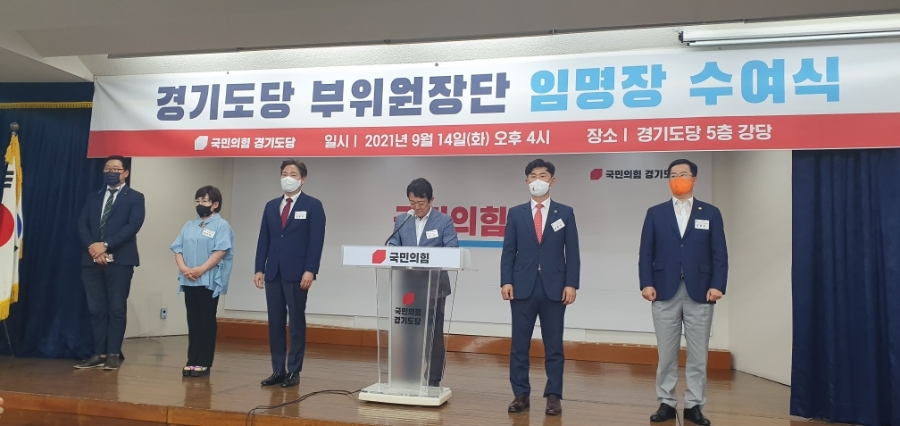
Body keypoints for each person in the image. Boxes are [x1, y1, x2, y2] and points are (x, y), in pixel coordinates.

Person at [638, 159, 728, 426]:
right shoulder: (656, 213)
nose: (679, 179)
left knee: (698, 356)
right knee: (666, 355)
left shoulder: (710, 213)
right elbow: (646, 253)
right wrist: (646, 283)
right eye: (674, 175)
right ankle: (666, 403)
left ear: (694, 179)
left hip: (701, 292)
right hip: (663, 291)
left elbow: (719, 253)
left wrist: (718, 284)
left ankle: (694, 405)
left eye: (684, 174)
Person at [501, 159, 580, 416]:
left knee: (554, 345)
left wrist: (571, 283)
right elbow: (508, 251)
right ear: (526, 181)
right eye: (533, 176)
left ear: (552, 181)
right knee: (519, 345)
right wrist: (506, 280)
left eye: (543, 176)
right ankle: (520, 394)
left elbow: (573, 252)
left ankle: (553, 396)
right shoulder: (516, 213)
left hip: (554, 288)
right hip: (522, 287)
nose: (538, 180)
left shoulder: (565, 213)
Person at [255, 160, 326, 388]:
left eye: (293, 174)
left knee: (296, 323)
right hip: (273, 272)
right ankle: (278, 370)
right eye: (284, 173)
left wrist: (310, 270)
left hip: (298, 273)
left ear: (303, 179)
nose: (288, 177)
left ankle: (294, 370)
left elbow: (316, 241)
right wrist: (259, 268)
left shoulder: (313, 205)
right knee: (275, 323)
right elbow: (264, 239)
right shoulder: (271, 206)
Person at [75, 155, 145, 371]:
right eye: (107, 168)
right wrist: (94, 248)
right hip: (92, 260)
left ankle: (113, 353)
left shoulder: (135, 197)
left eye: (115, 169)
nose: (110, 172)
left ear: (125, 173)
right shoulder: (93, 196)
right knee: (96, 309)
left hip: (121, 261)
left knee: (116, 309)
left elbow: (133, 225)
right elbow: (82, 224)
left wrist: (105, 245)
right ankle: (99, 353)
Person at [387, 178, 458, 387]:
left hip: (435, 286)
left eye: (421, 203)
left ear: (431, 200)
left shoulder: (444, 221)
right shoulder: (403, 220)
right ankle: (407, 375)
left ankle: (433, 379)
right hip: (408, 285)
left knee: (433, 335)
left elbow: (452, 249)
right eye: (412, 203)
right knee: (408, 333)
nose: (416, 207)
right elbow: (393, 244)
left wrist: (426, 258)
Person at [171, 185, 234, 377]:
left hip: (208, 279)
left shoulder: (222, 225)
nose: (200, 204)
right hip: (189, 278)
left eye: (204, 201)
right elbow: (177, 248)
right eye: (197, 201)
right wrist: (183, 268)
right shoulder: (189, 225)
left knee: (206, 319)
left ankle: (204, 362)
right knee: (193, 319)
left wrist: (202, 269)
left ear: (215, 204)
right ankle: (192, 360)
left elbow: (221, 251)